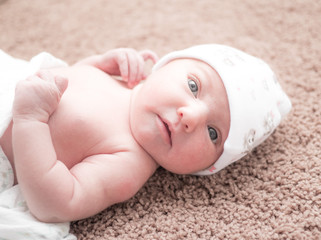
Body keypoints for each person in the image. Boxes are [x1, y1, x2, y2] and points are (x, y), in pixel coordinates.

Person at [0, 44, 291, 223]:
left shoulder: (129, 162)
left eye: (213, 133)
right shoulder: (123, 83)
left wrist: (31, 118)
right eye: (193, 87)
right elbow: (68, 80)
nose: (190, 116)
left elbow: (55, 203)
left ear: (208, 167)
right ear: (164, 66)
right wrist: (99, 63)